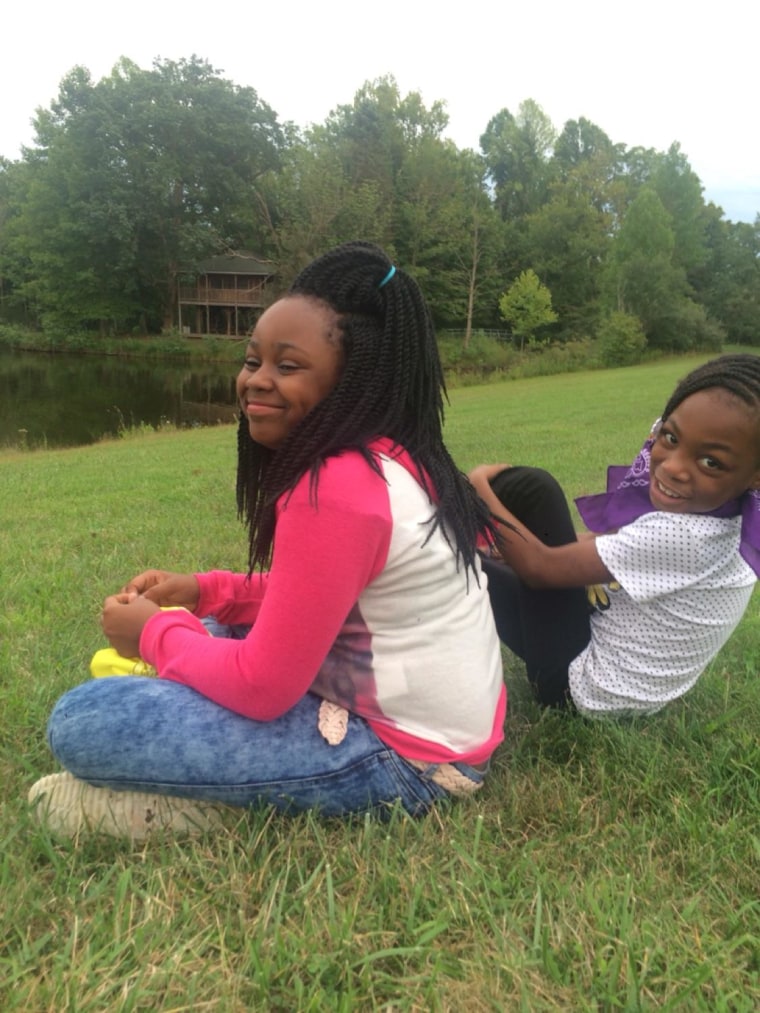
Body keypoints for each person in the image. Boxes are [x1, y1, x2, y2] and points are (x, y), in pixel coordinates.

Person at [29, 241, 506, 839]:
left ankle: (191, 807)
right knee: (206, 632)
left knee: (85, 720)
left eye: (288, 366)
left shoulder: (337, 486)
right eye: (253, 360)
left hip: (408, 760)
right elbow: (321, 597)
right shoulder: (397, 457)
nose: (256, 381)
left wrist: (153, 631)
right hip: (446, 733)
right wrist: (206, 593)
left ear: (350, 377)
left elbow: (264, 686)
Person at [468, 354, 760, 716]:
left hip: (574, 690)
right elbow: (601, 545)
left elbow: (541, 570)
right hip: (615, 680)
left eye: (710, 462)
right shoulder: (731, 519)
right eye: (670, 437)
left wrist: (480, 489)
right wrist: (507, 550)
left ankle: (438, 537)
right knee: (499, 554)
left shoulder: (688, 535)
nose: (672, 467)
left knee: (528, 495)